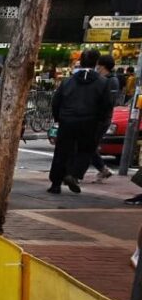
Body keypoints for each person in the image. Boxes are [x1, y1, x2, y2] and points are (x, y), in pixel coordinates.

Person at [47, 48, 113, 195]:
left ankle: (55, 184)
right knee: (86, 150)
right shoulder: (102, 82)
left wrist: (59, 118)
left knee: (62, 152)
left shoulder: (68, 81)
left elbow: (56, 101)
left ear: (80, 61)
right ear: (96, 62)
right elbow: (107, 104)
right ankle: (73, 174)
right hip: (89, 122)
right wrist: (100, 120)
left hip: (67, 120)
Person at [89, 55, 121, 181]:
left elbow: (109, 102)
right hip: (98, 118)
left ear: (101, 65)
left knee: (89, 146)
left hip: (102, 119)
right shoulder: (104, 79)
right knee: (90, 145)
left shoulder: (111, 80)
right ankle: (103, 170)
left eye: (98, 65)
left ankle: (102, 169)